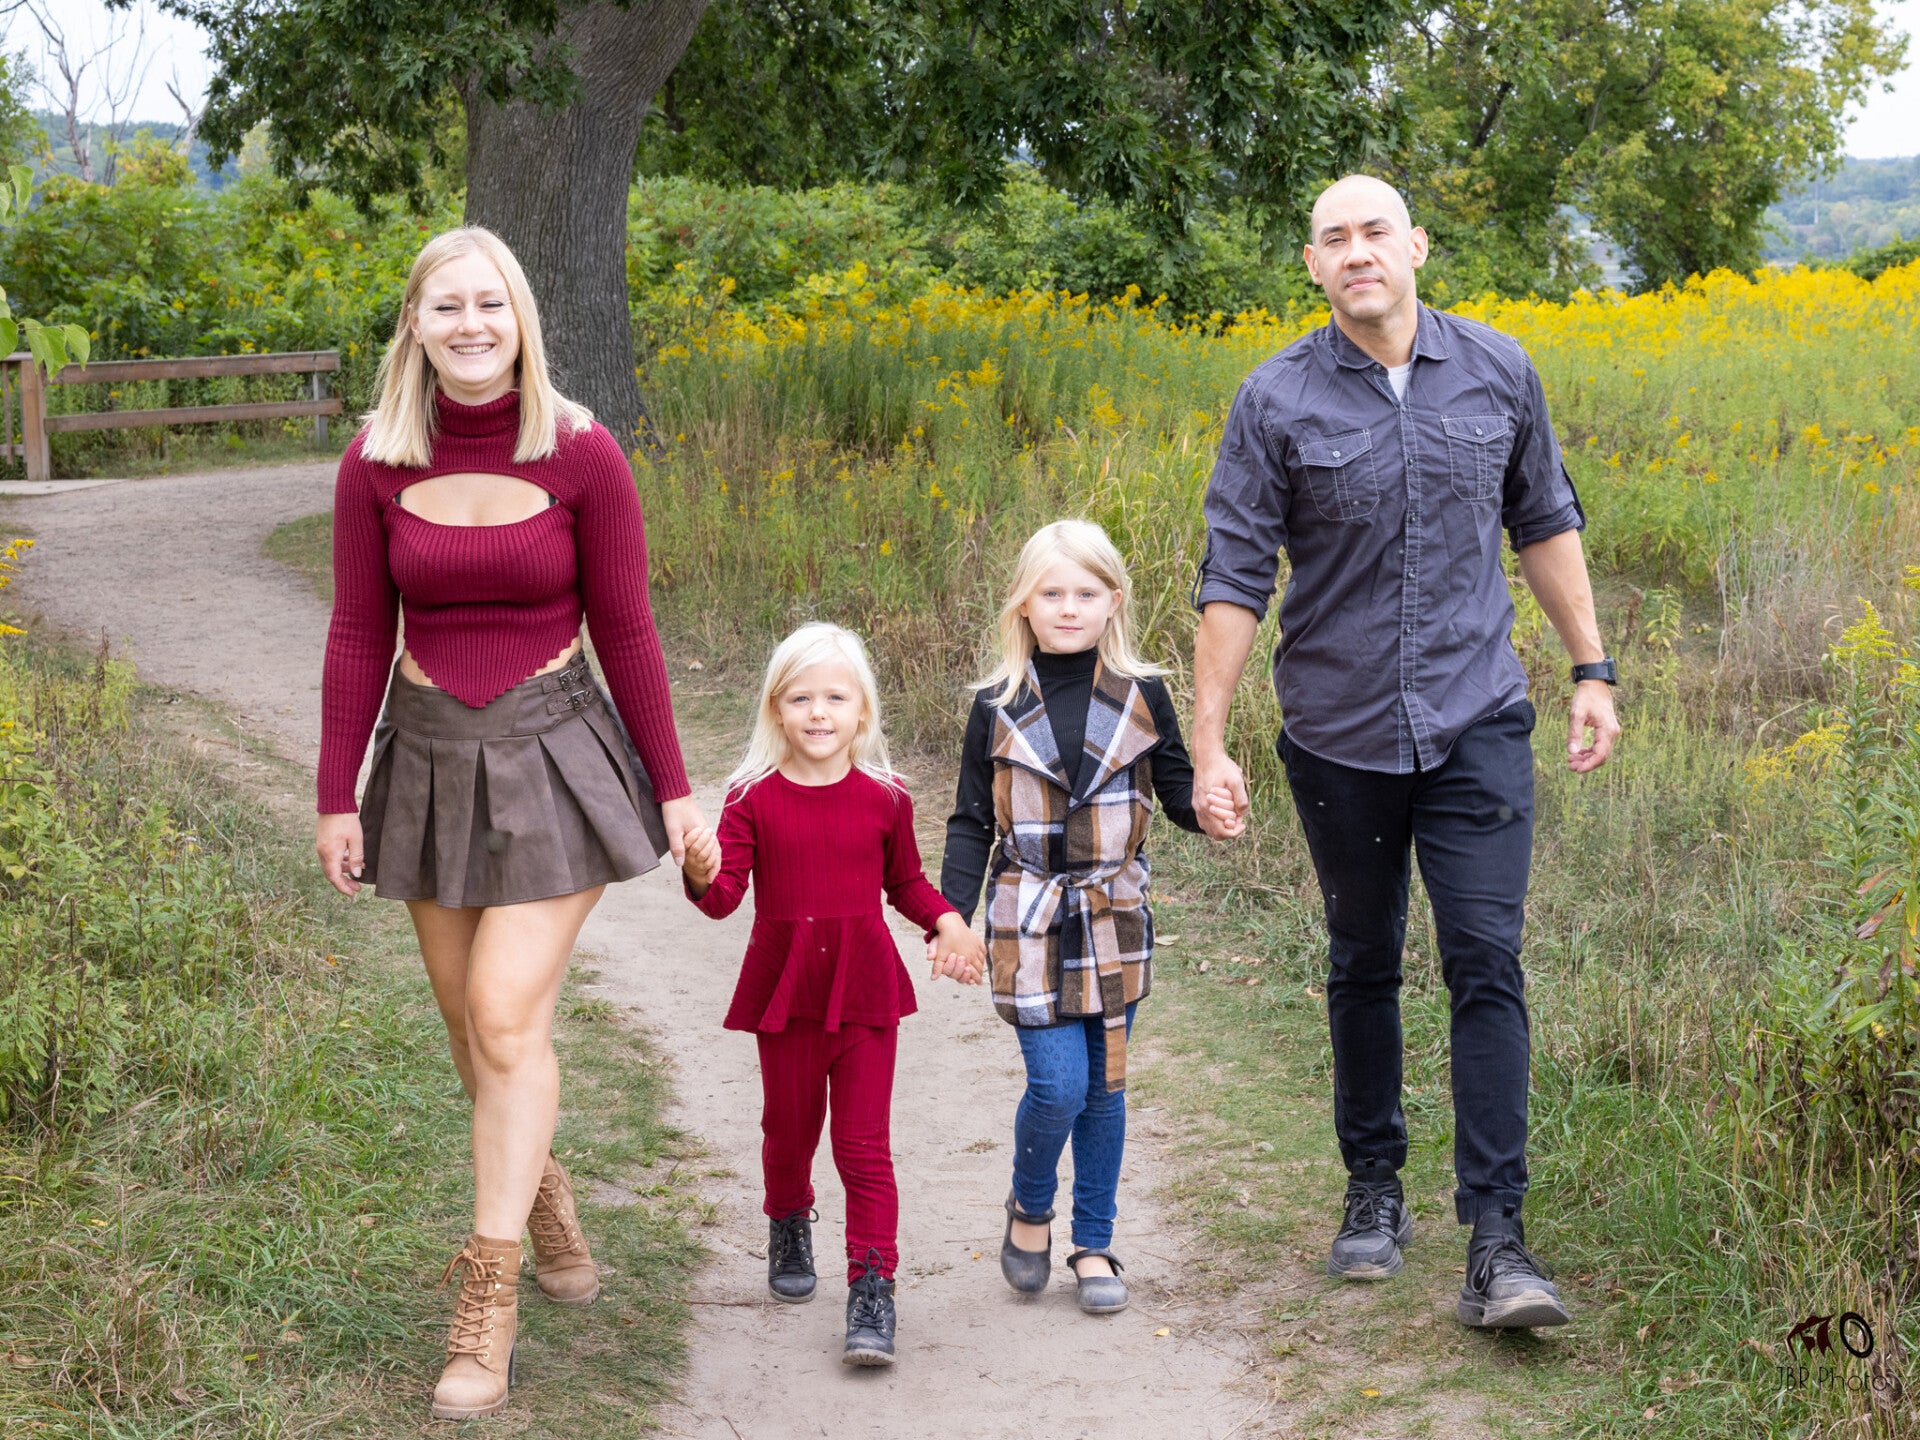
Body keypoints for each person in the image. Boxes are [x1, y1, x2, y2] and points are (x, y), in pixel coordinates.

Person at [1189, 174, 1621, 1330]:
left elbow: (1544, 519)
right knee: (1363, 957)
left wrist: (1591, 667)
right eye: (1333, 238)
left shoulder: (1498, 369)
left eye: (1375, 231)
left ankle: (1499, 1241)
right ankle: (1373, 1188)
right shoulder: (1275, 399)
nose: (1357, 252)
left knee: (1485, 958)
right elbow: (1235, 574)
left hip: (1478, 718)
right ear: (1313, 265)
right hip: (1338, 734)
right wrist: (1209, 741)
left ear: (1415, 245)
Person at [314, 226, 704, 1418]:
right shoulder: (374, 463)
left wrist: (676, 789)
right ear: (415, 326)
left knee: (500, 1011)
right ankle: (540, 1195)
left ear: (522, 317)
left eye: (491, 303)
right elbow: (357, 631)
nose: (471, 324)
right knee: (472, 1029)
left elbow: (627, 628)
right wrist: (334, 793)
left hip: (554, 756)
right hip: (426, 760)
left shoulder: (583, 453)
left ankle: (484, 1308)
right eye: (448, 306)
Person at [680, 622, 985, 1367]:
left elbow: (904, 882)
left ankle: (871, 1288)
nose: (819, 712)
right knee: (788, 1133)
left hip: (865, 990)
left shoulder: (886, 797)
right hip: (786, 992)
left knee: (863, 1146)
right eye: (801, 698)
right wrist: (698, 869)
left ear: (862, 711)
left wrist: (947, 920)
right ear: (776, 710)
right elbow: (724, 898)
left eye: (835, 698)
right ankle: (788, 1219)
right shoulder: (751, 796)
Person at [940, 520, 1217, 1316]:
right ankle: (1030, 1206)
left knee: (1105, 1089)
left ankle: (1094, 1243)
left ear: (1113, 602)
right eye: (1052, 593)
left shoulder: (1143, 695)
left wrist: (1212, 806)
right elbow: (970, 822)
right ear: (1023, 604)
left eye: (1086, 593)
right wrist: (952, 916)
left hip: (1112, 915)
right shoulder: (996, 705)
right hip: (1027, 916)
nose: (1069, 608)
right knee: (1058, 1085)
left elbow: (1177, 794)